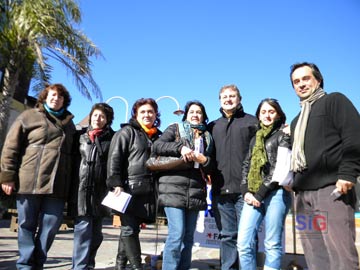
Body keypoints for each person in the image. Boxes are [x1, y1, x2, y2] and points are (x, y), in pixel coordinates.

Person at [289, 62, 360, 270]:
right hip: (303, 196)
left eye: (305, 78)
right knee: (314, 253)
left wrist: (348, 173)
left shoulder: (334, 101)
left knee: (340, 254)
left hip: (331, 191)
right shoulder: (296, 121)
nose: (301, 84)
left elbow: (354, 137)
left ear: (317, 80)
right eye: (296, 81)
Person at [0, 84, 76, 269]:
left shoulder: (70, 124)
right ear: (45, 97)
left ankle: (38, 262)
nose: (56, 99)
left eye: (60, 97)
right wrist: (7, 176)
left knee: (50, 227)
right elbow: (11, 148)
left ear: (64, 101)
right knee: (26, 224)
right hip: (29, 181)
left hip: (58, 185)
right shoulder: (28, 116)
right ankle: (25, 264)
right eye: (52, 95)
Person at [152, 100, 214, 270]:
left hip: (195, 189)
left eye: (199, 112)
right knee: (176, 233)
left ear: (203, 116)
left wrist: (205, 160)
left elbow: (210, 165)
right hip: (173, 188)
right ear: (186, 115)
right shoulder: (175, 128)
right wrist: (180, 148)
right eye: (192, 111)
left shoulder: (207, 137)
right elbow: (157, 146)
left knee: (188, 237)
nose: (195, 114)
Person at [106, 98, 161, 270]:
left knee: (130, 230)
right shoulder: (127, 132)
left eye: (150, 112)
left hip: (147, 190)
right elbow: (114, 158)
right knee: (129, 230)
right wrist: (116, 182)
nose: (147, 115)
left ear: (156, 115)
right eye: (143, 112)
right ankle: (137, 267)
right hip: (127, 189)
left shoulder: (157, 135)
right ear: (136, 114)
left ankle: (120, 265)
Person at [237, 98, 291, 270]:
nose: (267, 115)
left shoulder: (284, 134)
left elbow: (279, 168)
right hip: (252, 194)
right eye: (263, 112)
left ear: (278, 115)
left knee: (272, 244)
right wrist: (246, 191)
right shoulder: (255, 138)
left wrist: (260, 193)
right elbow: (247, 164)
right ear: (258, 116)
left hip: (276, 193)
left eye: (271, 111)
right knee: (243, 243)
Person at [208, 84, 258, 270]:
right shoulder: (213, 126)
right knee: (227, 236)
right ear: (220, 100)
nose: (228, 99)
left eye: (232, 96)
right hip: (220, 191)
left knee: (248, 237)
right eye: (224, 97)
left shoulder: (252, 122)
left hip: (246, 191)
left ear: (239, 99)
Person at [71, 103, 115, 269]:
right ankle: (79, 267)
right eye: (95, 114)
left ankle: (89, 264)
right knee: (83, 232)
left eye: (102, 116)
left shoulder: (112, 139)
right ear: (90, 116)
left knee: (96, 235)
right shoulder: (79, 136)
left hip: (100, 193)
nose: (98, 118)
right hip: (81, 191)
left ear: (107, 120)